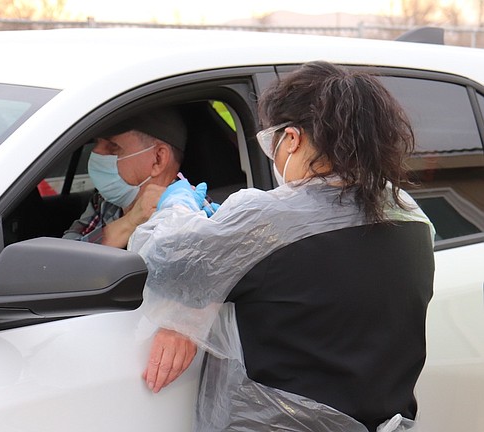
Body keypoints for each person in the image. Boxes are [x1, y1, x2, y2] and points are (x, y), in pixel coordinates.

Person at [128, 61, 435, 432]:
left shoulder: (267, 220)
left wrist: (178, 206)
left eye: (271, 142)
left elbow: (165, 264)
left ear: (292, 138)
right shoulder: (408, 215)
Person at [63, 106, 214, 248]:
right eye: (96, 143)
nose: (95, 153)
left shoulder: (190, 210)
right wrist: (129, 222)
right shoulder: (105, 202)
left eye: (113, 146)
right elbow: (64, 256)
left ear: (158, 159)